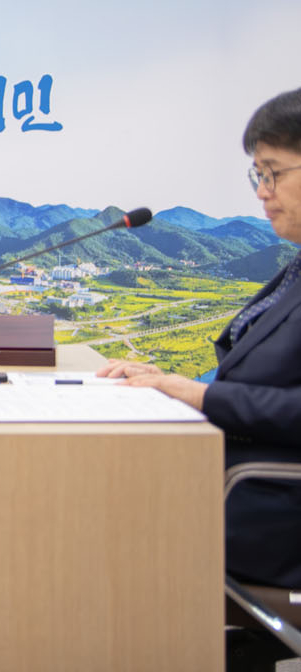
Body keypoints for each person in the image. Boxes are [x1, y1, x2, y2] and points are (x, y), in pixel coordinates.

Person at [98, 87, 301, 670]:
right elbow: (256, 370)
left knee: (88, 516)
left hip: (270, 505)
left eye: (273, 173)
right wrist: (168, 379)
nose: (261, 192)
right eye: (256, 175)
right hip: (235, 483)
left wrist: (199, 394)